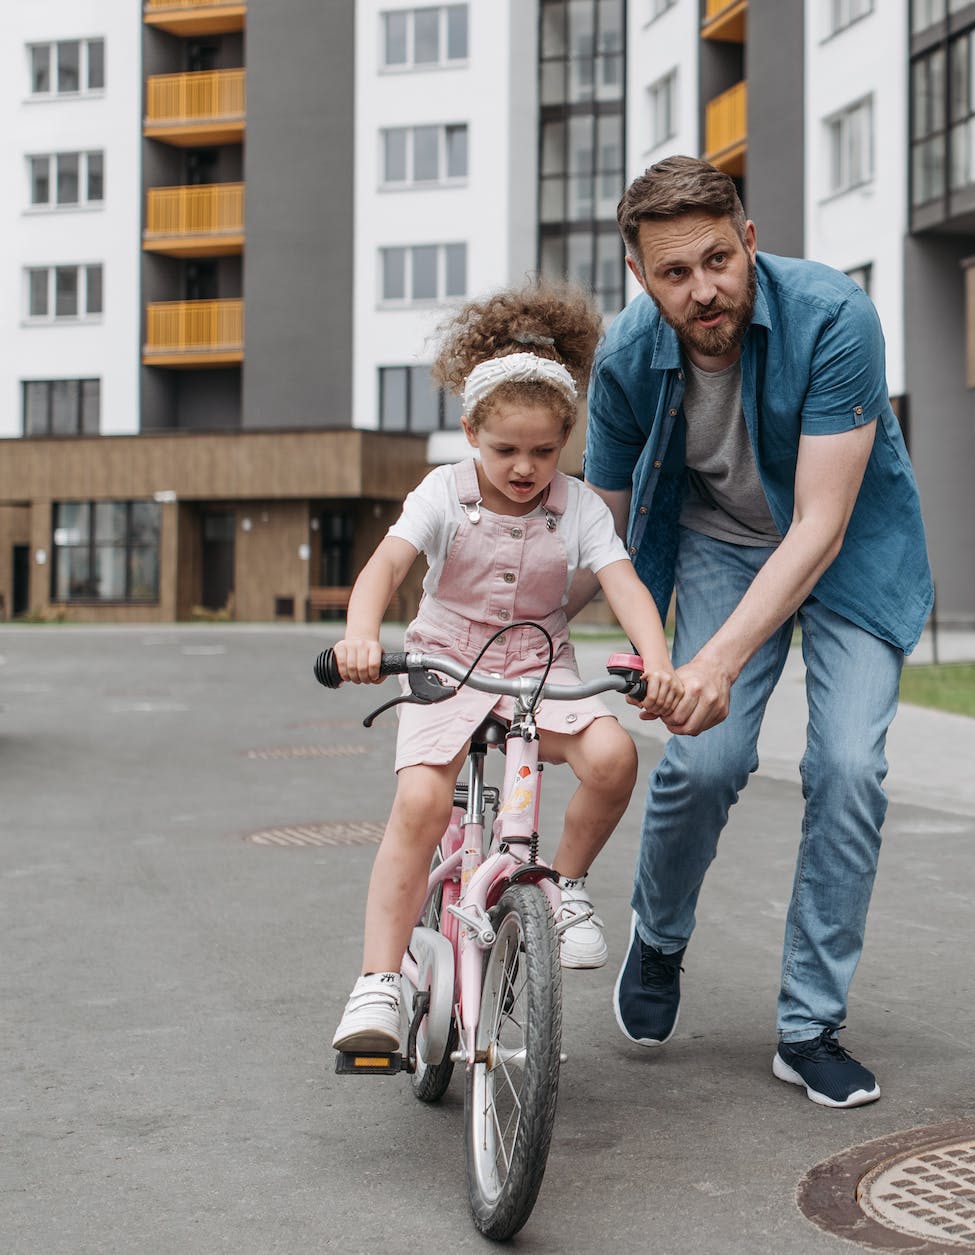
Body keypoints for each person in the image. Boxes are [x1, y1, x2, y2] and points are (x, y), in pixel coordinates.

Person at [581, 156, 933, 1109]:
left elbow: (819, 523)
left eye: (715, 261)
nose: (703, 291)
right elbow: (597, 531)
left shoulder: (834, 315)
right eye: (673, 274)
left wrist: (717, 660)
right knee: (701, 760)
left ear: (746, 238)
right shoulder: (622, 359)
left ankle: (809, 1025)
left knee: (849, 769)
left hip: (849, 545)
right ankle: (658, 940)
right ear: (640, 279)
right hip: (721, 545)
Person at [329, 281, 679, 1054]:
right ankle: (380, 982)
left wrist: (658, 663)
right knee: (421, 802)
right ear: (469, 433)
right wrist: (362, 635)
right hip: (444, 660)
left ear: (566, 442)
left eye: (544, 451)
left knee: (614, 755)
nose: (525, 468)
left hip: (541, 666)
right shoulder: (442, 495)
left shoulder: (579, 506)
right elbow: (385, 568)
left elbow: (625, 586)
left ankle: (565, 886)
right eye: (505, 450)